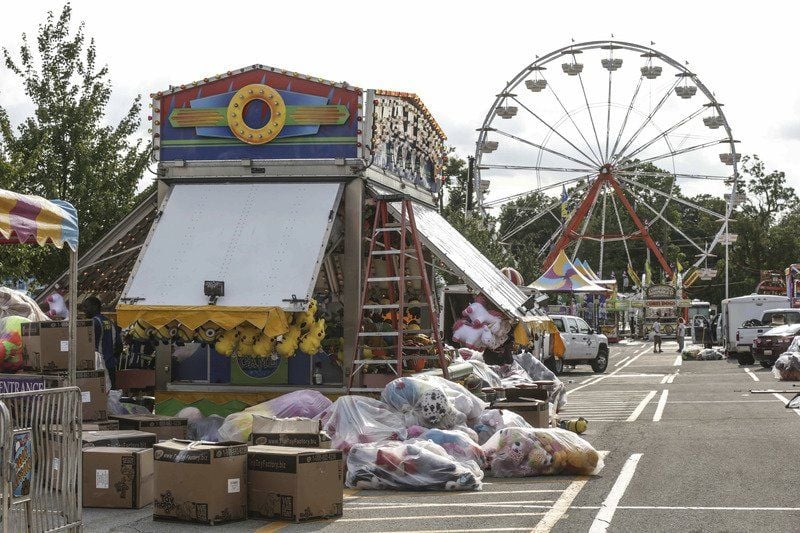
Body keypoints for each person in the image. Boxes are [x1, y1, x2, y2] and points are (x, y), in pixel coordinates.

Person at [83, 296, 122, 388]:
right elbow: (119, 345)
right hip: (111, 365)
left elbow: (86, 345)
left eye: (86, 307)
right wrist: (113, 359)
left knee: (98, 395)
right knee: (111, 395)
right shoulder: (109, 322)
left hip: (98, 366)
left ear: (94, 307)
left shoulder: (93, 323)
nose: (84, 310)